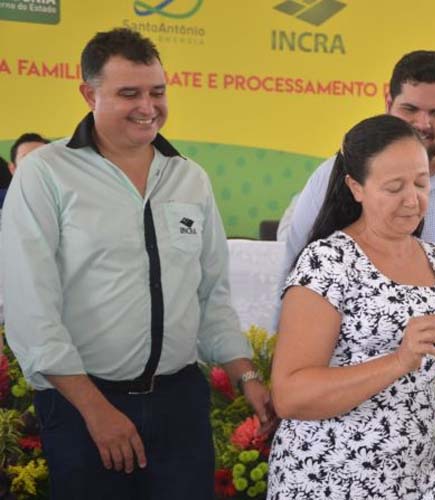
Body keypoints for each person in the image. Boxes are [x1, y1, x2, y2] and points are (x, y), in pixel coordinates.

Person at [1, 28, 274, 500]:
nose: (148, 107)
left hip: (179, 403)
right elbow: (31, 309)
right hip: (83, 401)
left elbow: (211, 295)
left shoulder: (189, 177)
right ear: (89, 94)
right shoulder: (46, 175)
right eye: (129, 93)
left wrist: (246, 375)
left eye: (157, 91)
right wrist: (94, 410)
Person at [275, 49, 435, 499]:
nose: (412, 200)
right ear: (356, 187)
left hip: (415, 480)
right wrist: (399, 361)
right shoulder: (327, 261)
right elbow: (290, 394)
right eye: (393, 187)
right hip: (331, 479)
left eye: (421, 184)